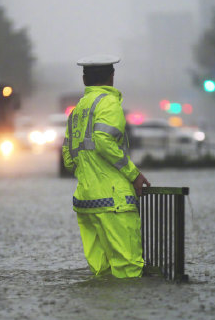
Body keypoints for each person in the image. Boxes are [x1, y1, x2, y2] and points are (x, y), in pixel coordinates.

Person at [62, 54, 151, 278]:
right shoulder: (109, 103)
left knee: (102, 273)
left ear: (84, 80)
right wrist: (134, 175)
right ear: (112, 77)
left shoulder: (78, 110)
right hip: (114, 201)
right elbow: (103, 140)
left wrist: (88, 175)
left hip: (86, 202)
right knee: (129, 269)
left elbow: (68, 158)